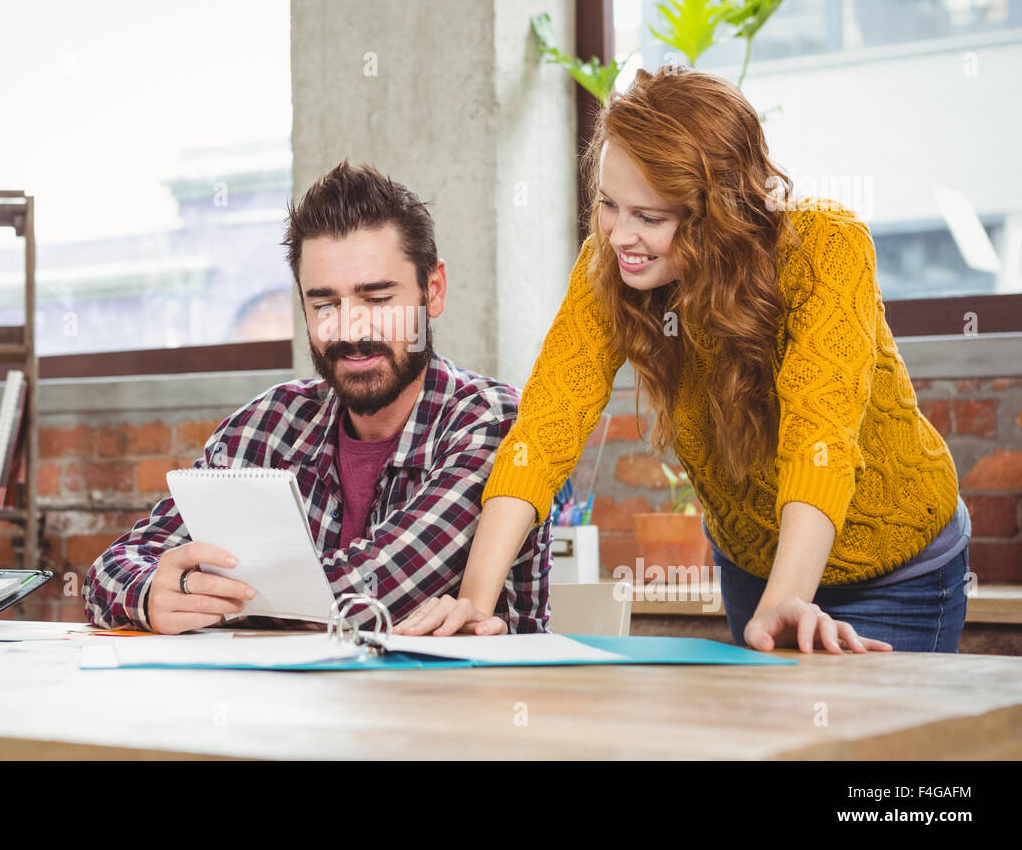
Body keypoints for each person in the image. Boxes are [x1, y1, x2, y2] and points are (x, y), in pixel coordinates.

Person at [396, 67, 970, 653]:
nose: (620, 235)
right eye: (608, 205)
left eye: (651, 217)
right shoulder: (612, 267)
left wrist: (785, 600)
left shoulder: (826, 247)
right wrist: (475, 600)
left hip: (894, 570)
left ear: (719, 215)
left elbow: (819, 433)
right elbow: (545, 427)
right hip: (753, 566)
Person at [83, 161, 552, 634]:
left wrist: (218, 595)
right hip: (288, 706)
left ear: (433, 291)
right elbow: (108, 572)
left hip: (449, 707)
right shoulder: (265, 425)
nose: (351, 329)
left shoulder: (492, 423)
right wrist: (151, 595)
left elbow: (365, 594)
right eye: (325, 303)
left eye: (378, 299)